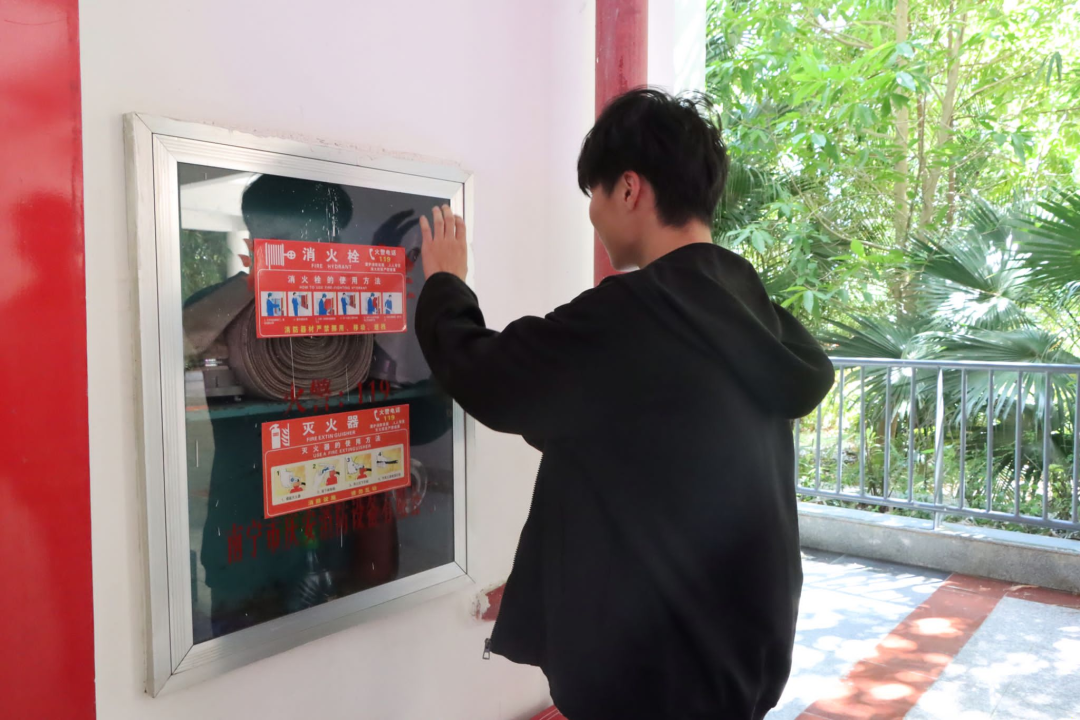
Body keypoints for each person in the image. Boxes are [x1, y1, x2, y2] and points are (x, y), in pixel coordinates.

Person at [414, 89, 835, 720]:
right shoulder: (751, 313)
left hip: (652, 674)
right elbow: (647, 431)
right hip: (742, 654)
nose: (593, 215)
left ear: (630, 189)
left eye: (595, 194)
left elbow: (489, 375)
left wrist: (445, 283)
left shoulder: (632, 316)